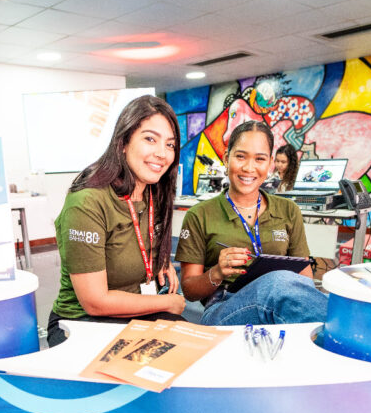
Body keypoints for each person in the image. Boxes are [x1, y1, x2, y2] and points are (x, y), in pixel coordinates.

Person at [47, 95, 186, 347]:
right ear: (123, 142)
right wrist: (168, 302)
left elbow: (136, 243)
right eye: (150, 139)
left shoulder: (154, 192)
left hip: (137, 316)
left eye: (170, 145)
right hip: (82, 322)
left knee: (193, 354)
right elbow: (95, 302)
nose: (162, 154)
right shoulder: (87, 201)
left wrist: (160, 260)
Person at [176, 120, 327, 326]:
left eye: (260, 159)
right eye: (240, 156)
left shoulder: (288, 210)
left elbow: (304, 279)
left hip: (275, 302)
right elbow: (190, 291)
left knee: (286, 288)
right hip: (222, 309)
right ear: (226, 158)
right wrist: (217, 272)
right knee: (277, 284)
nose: (249, 168)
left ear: (270, 163)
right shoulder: (199, 215)